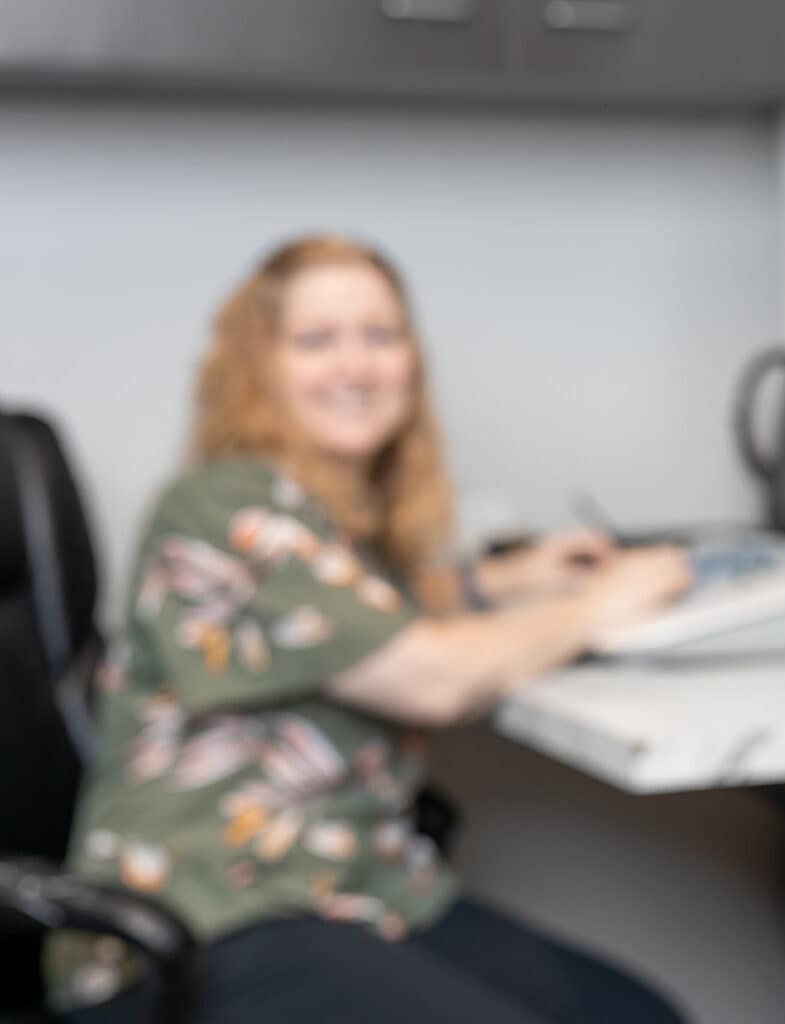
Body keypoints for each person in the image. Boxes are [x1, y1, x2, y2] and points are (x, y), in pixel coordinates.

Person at [50, 235, 692, 1023]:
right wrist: (603, 603)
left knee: (638, 1016)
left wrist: (501, 581)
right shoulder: (222, 503)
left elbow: (360, 606)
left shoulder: (329, 518)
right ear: (259, 368)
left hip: (365, 893)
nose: (356, 366)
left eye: (380, 336)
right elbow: (430, 677)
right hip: (211, 919)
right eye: (317, 340)